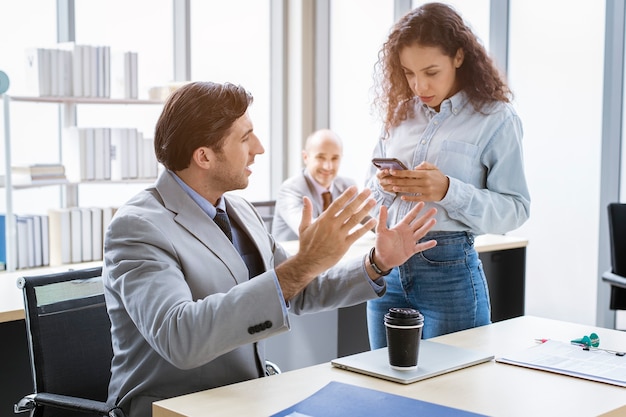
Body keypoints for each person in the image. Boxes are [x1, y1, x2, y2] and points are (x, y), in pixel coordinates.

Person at [102, 81, 438, 417]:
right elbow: (181, 336)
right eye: (245, 138)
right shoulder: (138, 227)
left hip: (246, 401)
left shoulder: (240, 210)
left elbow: (299, 290)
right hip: (174, 409)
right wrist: (305, 262)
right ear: (203, 156)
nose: (259, 148)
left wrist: (377, 263)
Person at [365, 2, 531, 348]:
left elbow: (516, 209)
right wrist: (383, 187)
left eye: (430, 71)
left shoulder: (495, 118)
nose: (418, 85)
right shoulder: (400, 114)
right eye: (408, 73)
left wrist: (447, 190)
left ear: (459, 57)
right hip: (386, 270)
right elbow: (370, 195)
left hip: (449, 273)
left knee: (457, 389)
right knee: (382, 391)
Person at [272, 128, 356, 241]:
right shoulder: (289, 190)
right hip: (293, 256)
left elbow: (366, 221)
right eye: (320, 157)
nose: (328, 166)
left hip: (332, 255)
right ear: (305, 157)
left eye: (335, 158)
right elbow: (309, 232)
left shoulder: (348, 186)